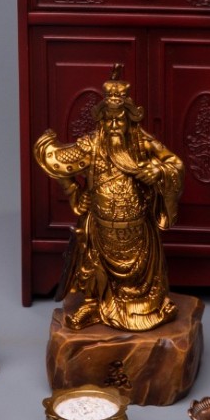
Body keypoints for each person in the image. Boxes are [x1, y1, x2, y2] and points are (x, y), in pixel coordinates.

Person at [33, 68, 183, 331]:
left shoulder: (142, 143)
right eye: (109, 119)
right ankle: (94, 304)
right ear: (101, 119)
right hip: (102, 232)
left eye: (119, 120)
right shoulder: (92, 145)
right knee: (91, 264)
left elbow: (175, 164)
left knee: (146, 291)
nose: (114, 126)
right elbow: (55, 162)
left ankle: (149, 307)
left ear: (130, 119)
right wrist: (74, 193)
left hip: (138, 234)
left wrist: (158, 171)